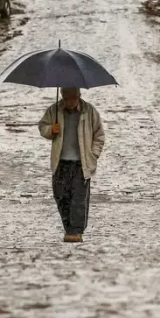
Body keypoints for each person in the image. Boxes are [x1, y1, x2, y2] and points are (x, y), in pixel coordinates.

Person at [38, 88, 105, 243]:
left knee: (78, 198)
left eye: (72, 98)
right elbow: (42, 126)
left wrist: (93, 154)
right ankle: (68, 227)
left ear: (79, 97)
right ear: (62, 96)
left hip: (81, 163)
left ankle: (76, 231)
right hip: (60, 162)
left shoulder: (89, 111)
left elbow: (99, 135)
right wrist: (50, 130)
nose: (69, 102)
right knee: (60, 195)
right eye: (66, 98)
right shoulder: (55, 110)